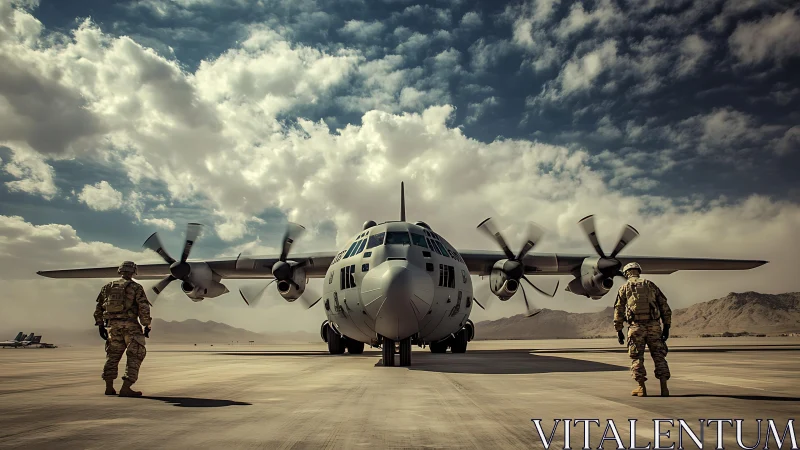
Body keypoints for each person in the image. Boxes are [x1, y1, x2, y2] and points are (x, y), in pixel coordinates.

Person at [94, 261, 152, 397]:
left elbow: (99, 308)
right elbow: (143, 307)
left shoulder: (107, 287)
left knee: (112, 356)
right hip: (131, 327)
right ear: (134, 271)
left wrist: (100, 325)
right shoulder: (136, 287)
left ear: (120, 271)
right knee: (135, 355)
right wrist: (146, 324)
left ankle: (109, 387)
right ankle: (126, 387)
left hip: (113, 327)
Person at [613, 262, 671, 397]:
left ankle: (641, 387)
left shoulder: (624, 288)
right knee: (659, 356)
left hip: (636, 327)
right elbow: (664, 306)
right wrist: (666, 327)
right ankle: (664, 388)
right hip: (654, 326)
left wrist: (619, 330)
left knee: (636, 357)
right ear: (638, 271)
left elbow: (619, 310)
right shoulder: (650, 285)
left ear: (626, 273)